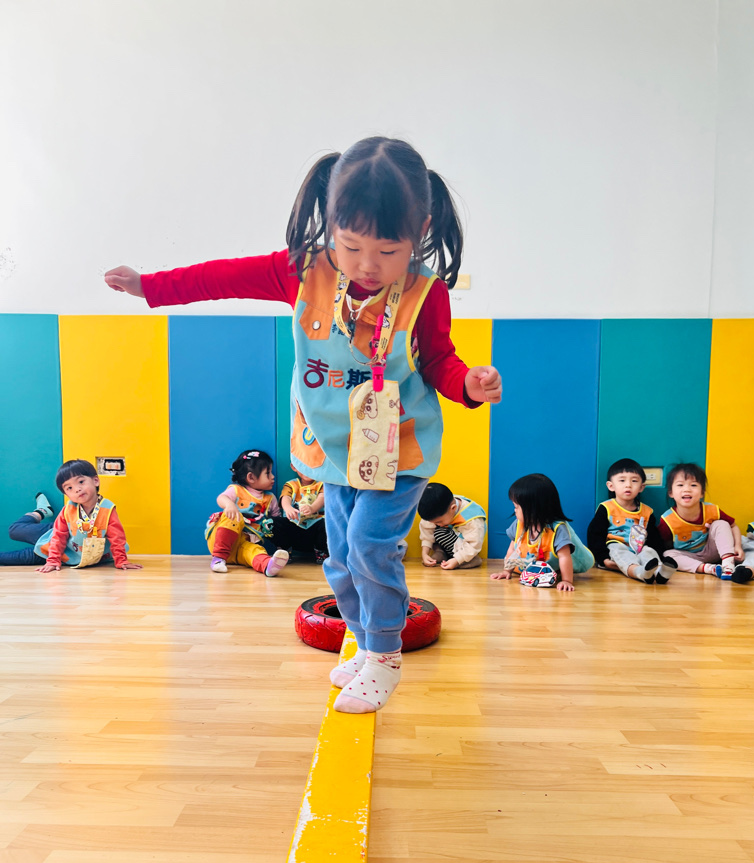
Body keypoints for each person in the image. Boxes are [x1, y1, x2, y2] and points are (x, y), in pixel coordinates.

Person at [105, 136, 501, 713]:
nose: (368, 265)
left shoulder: (424, 292)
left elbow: (440, 359)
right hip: (333, 450)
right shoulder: (303, 272)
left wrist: (468, 384)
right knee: (339, 555)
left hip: (399, 447)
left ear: (421, 229)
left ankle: (385, 656)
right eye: (351, 245)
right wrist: (150, 286)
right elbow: (222, 278)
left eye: (389, 250)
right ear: (331, 224)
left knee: (370, 543)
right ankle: (364, 644)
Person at [0, 460, 141, 571]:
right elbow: (58, 536)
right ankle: (42, 511)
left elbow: (117, 537)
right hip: (56, 536)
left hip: (68, 554)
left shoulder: (107, 509)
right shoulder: (68, 510)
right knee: (14, 530)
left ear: (95, 481)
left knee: (12, 558)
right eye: (70, 488)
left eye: (81, 482)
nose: (77, 489)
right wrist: (53, 559)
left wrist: (121, 561)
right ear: (67, 494)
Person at [490, 473, 593, 591]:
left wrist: (567, 580)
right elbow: (513, 549)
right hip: (530, 567)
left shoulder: (557, 529)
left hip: (554, 568)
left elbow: (564, 556)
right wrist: (506, 571)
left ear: (533, 509)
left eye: (517, 507)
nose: (514, 510)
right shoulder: (519, 524)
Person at [587, 458, 677, 584]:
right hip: (615, 548)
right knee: (619, 550)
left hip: (639, 548)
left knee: (648, 551)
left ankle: (660, 573)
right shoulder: (607, 508)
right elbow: (595, 534)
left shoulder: (647, 512)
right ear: (611, 486)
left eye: (634, 481)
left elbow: (654, 538)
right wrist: (603, 558)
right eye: (622, 480)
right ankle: (640, 573)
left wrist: (659, 555)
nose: (628, 485)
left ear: (641, 487)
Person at [206, 449, 289, 576]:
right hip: (221, 542)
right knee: (234, 517)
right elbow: (221, 498)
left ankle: (268, 566)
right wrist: (229, 505)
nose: (273, 477)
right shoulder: (236, 490)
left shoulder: (270, 499)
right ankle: (218, 559)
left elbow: (277, 520)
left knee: (256, 550)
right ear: (251, 477)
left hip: (243, 547)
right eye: (268, 473)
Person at [659, 463, 743, 578]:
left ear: (702, 493)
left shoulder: (712, 510)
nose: (687, 489)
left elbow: (733, 526)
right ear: (671, 493)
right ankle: (710, 569)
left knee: (721, 524)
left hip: (712, 551)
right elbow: (666, 544)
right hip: (688, 556)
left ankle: (728, 564)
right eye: (680, 485)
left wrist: (737, 546)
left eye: (693, 485)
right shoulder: (668, 519)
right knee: (667, 554)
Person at [417, 481, 486, 569]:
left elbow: (473, 544)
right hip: (449, 536)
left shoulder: (472, 519)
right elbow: (427, 529)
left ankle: (469, 559)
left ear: (453, 508)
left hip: (465, 546)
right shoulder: (436, 508)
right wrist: (425, 553)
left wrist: (457, 560)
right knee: (437, 531)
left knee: (441, 532)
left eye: (438, 521)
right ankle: (441, 552)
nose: (437, 524)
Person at [271, 467, 328, 562]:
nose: (307, 469)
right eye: (303, 466)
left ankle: (320, 551)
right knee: (268, 523)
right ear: (294, 467)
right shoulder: (291, 484)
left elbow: (322, 498)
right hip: (294, 529)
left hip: (315, 531)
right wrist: (288, 508)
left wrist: (312, 508)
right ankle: (285, 551)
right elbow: (286, 497)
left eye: (311, 465)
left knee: (328, 524)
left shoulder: (321, 484)